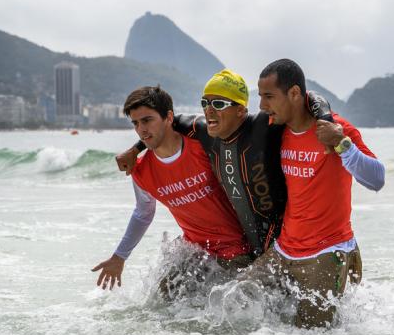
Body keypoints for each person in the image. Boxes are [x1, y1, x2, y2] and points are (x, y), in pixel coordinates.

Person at [116, 70, 335, 258]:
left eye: (219, 103)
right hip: (240, 249)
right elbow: (163, 126)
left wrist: (327, 121)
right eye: (205, 103)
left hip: (278, 244)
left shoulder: (262, 127)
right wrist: (136, 149)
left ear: (241, 109)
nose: (209, 110)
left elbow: (308, 98)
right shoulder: (204, 131)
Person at [247, 58, 385, 328]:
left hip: (326, 254)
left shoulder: (336, 129)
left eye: (269, 97)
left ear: (295, 94)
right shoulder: (277, 131)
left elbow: (377, 179)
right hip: (283, 250)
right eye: (261, 96)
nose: (262, 105)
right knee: (233, 302)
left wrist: (342, 144)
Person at [92, 86, 250, 293]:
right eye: (136, 123)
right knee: (160, 301)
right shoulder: (140, 171)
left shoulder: (203, 147)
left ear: (168, 117)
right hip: (195, 251)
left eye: (147, 120)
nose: (141, 129)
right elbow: (143, 213)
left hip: (238, 251)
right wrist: (119, 257)